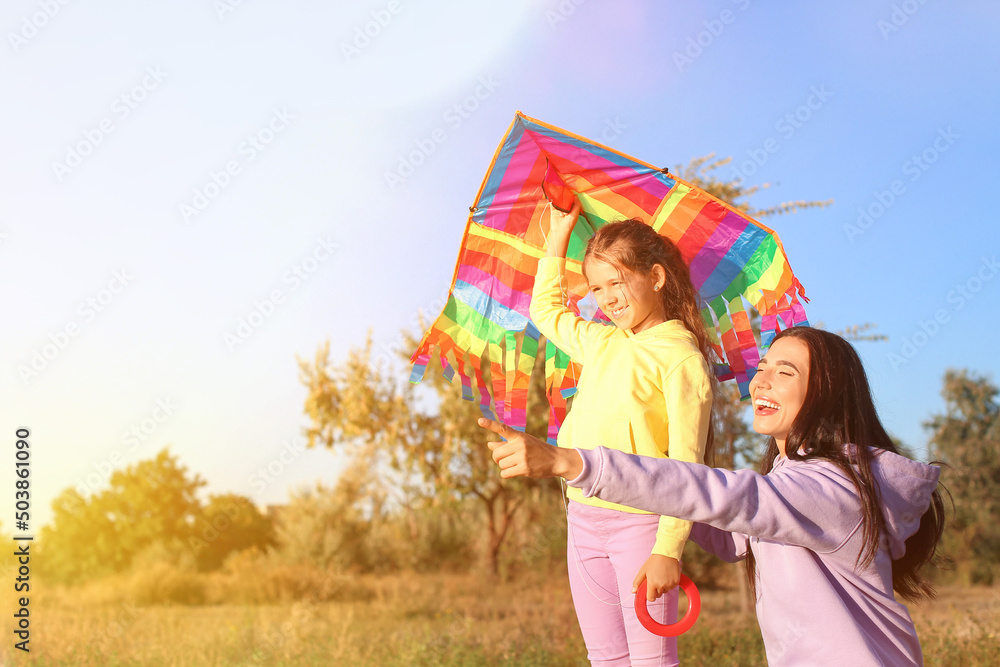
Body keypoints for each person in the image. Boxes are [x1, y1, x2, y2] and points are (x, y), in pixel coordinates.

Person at [481, 326, 946, 667]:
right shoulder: (793, 479)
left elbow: (731, 497)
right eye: (762, 368)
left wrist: (573, 463)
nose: (760, 380)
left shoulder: (833, 486)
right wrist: (653, 484)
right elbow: (731, 534)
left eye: (784, 372)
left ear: (825, 392)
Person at [528, 200, 715, 666]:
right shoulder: (601, 341)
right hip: (583, 520)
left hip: (641, 525)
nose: (606, 298)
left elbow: (687, 464)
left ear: (655, 277)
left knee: (651, 662)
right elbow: (545, 309)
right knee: (605, 659)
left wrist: (668, 549)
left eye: (617, 282)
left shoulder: (680, 356)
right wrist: (558, 235)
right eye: (596, 287)